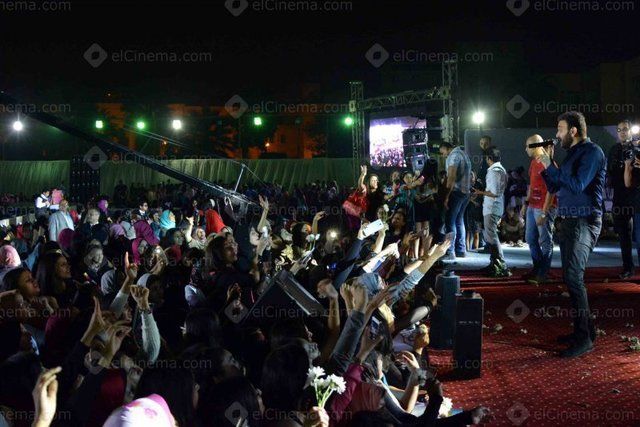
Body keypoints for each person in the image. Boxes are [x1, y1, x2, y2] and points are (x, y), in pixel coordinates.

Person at [539, 111, 606, 358]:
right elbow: (556, 186)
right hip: (569, 221)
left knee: (574, 278)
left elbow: (578, 185)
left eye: (560, 129)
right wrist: (548, 165)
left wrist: (550, 165)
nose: (557, 135)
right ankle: (586, 331)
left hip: (584, 221)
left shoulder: (592, 152)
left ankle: (584, 338)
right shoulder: (572, 154)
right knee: (570, 278)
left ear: (573, 131)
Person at [523, 134, 557, 284]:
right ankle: (537, 268)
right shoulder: (533, 163)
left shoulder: (547, 163)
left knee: (545, 241)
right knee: (530, 238)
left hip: (544, 207)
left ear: (535, 146)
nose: (526, 149)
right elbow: (531, 185)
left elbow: (552, 189)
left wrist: (544, 212)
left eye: (527, 146)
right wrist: (526, 204)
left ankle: (543, 273)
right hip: (533, 206)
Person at [607, 120, 638, 279]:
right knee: (624, 235)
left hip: (636, 196)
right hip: (619, 197)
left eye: (625, 129)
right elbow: (609, 173)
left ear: (631, 131)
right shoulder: (614, 150)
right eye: (619, 130)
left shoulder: (637, 148)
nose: (622, 132)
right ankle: (628, 268)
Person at [473, 147, 510, 277]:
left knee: (492, 236)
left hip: (492, 207)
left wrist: (480, 192)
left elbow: (493, 192)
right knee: (491, 236)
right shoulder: (501, 170)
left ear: (489, 158)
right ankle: (494, 263)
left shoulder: (494, 171)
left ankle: (500, 264)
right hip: (496, 207)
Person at [439, 142, 472, 259]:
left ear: (445, 148)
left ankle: (450, 251)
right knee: (459, 220)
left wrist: (446, 196)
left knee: (450, 221)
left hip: (456, 192)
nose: (443, 155)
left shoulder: (453, 156)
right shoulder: (464, 154)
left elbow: (451, 177)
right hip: (466, 192)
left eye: (442, 152)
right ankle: (461, 250)